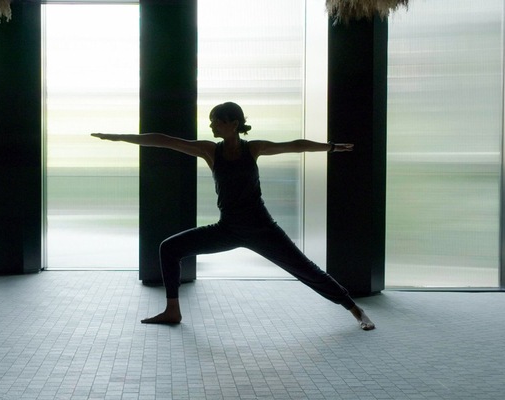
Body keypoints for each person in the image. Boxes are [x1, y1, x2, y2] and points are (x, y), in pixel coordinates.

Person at [91, 102, 375, 330]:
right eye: (211, 119)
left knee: (307, 270)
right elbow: (164, 141)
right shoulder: (208, 150)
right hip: (228, 229)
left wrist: (330, 146)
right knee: (169, 248)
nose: (211, 124)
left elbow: (294, 144)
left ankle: (355, 310)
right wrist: (118, 137)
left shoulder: (254, 148)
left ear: (233, 123)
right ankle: (172, 311)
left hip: (263, 229)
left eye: (216, 119)